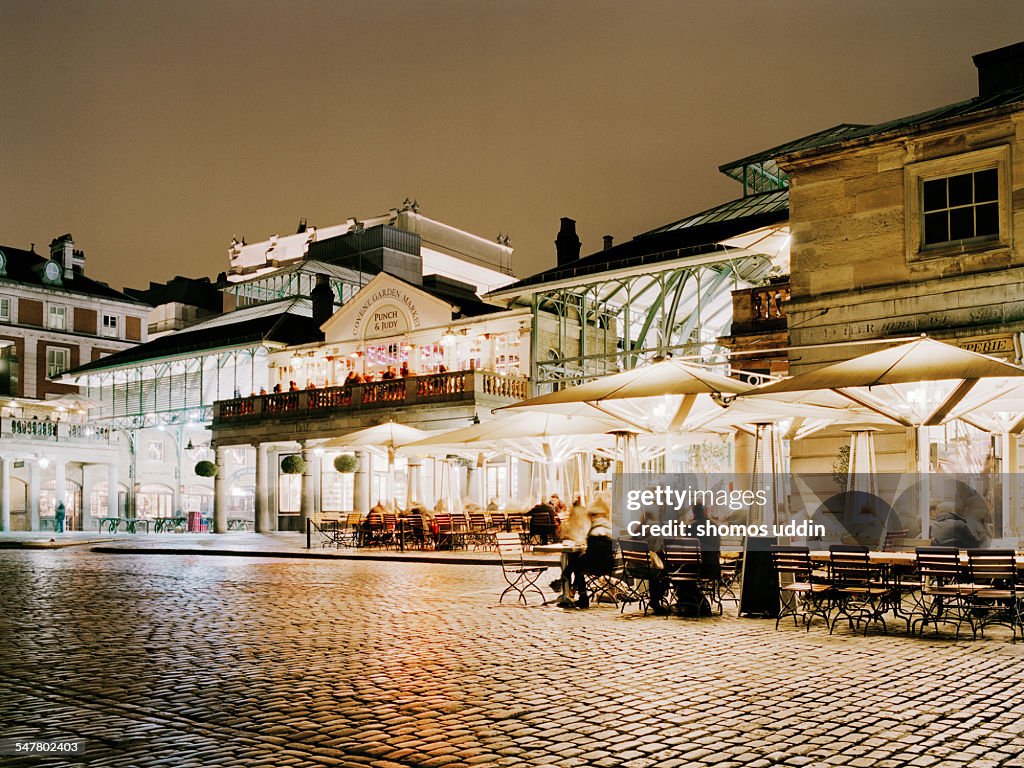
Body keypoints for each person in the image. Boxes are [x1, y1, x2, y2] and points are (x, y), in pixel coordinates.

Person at [562, 495, 615, 609]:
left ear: (592, 516)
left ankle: (582, 598)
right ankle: (571, 587)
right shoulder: (609, 528)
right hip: (610, 564)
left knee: (578, 568)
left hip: (599, 566)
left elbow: (590, 556)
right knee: (577, 563)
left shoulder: (596, 531)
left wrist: (572, 565)